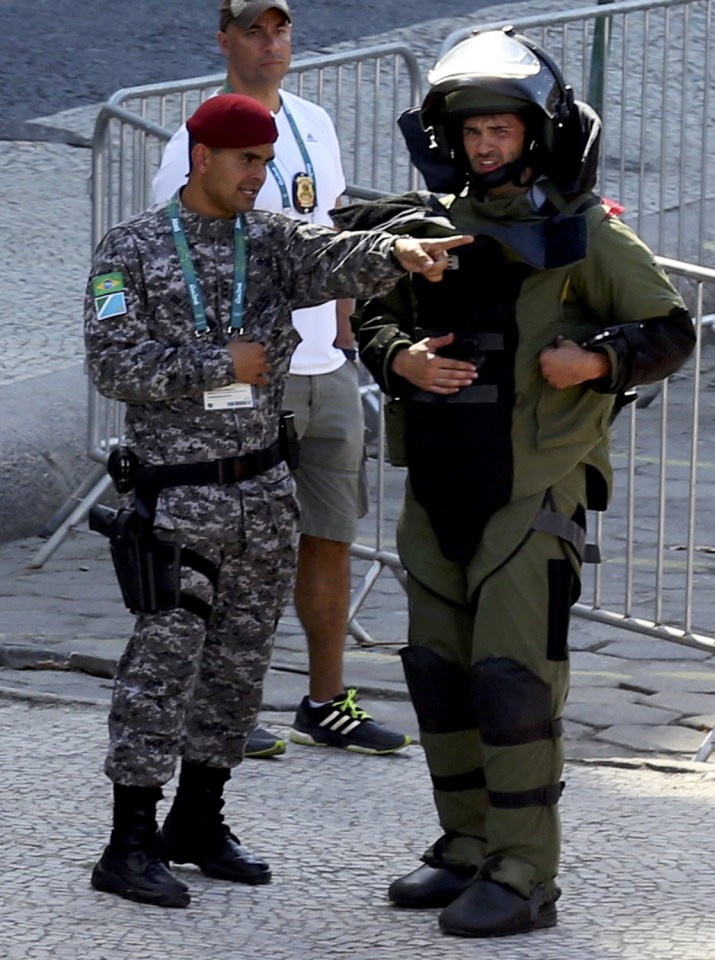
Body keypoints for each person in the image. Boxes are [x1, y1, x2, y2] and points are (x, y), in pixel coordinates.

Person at [346, 28, 696, 939]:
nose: (482, 145)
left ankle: (523, 873)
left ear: (534, 132)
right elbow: (376, 320)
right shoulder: (426, 229)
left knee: (512, 681)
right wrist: (402, 363)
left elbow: (672, 328)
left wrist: (596, 360)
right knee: (438, 677)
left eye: (499, 127)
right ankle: (464, 845)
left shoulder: (587, 232)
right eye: (470, 132)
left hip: (532, 490)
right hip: (436, 489)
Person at [84, 92, 470, 909]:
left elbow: (336, 256)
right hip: (179, 501)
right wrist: (220, 362)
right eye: (246, 162)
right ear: (201, 159)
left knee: (237, 668)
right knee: (161, 672)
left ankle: (198, 822)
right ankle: (127, 843)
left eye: (265, 160)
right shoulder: (132, 250)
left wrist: (401, 250)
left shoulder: (269, 239)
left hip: (261, 492)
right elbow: (112, 364)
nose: (260, 176)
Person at [153, 0, 411, 759]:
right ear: (225, 40)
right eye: (254, 31)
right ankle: (223, 702)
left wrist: (339, 330)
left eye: (282, 29)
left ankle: (326, 701)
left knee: (329, 535)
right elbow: (176, 254)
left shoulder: (312, 121)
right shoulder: (194, 141)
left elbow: (326, 225)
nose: (271, 45)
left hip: (321, 368)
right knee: (235, 541)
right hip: (247, 377)